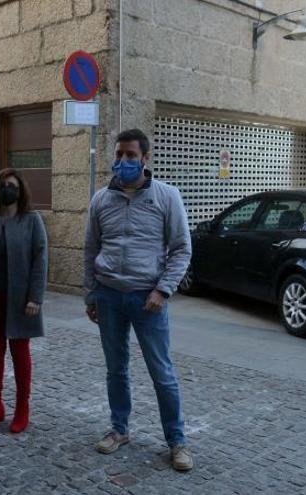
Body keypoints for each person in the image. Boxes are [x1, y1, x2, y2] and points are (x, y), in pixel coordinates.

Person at [83, 129, 194, 471]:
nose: (124, 161)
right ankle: (119, 430)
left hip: (149, 300)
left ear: (146, 158)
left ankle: (176, 441)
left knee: (162, 372)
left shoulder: (167, 197)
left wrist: (163, 290)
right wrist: (90, 293)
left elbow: (181, 249)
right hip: (109, 296)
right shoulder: (101, 199)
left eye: (131, 155)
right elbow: (91, 249)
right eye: (119, 155)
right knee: (116, 369)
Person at [0, 169, 48, 433]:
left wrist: (36, 297)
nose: (7, 189)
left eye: (12, 185)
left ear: (21, 190)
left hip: (22, 301)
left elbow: (40, 259)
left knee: (20, 355)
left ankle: (22, 409)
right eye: (3, 185)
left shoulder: (32, 220)